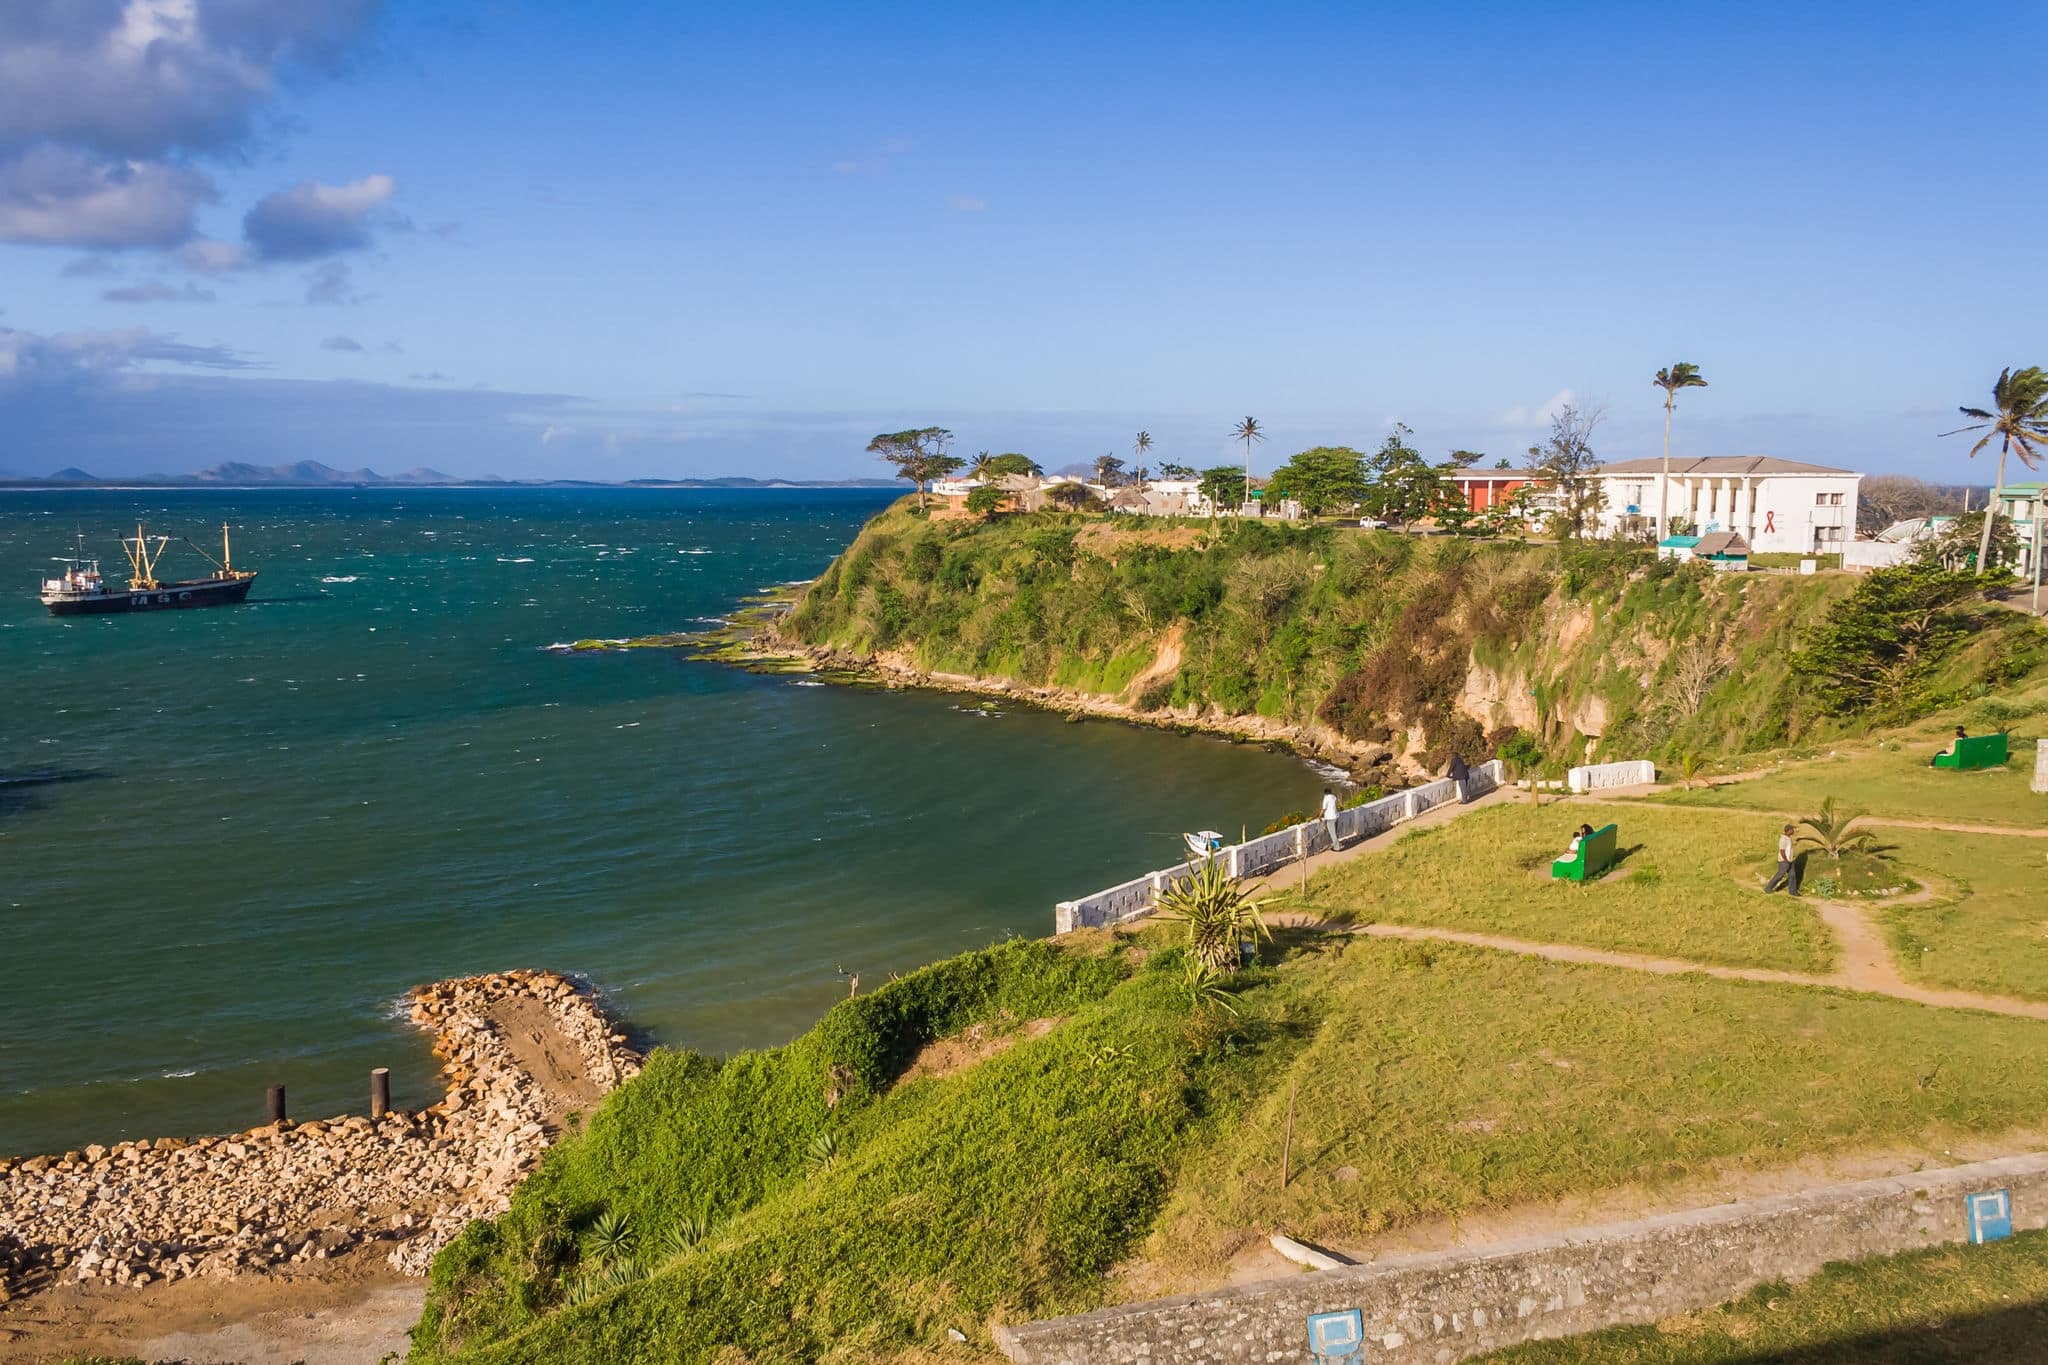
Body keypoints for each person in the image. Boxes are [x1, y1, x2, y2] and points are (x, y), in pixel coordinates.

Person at [1763, 822, 1801, 896]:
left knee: (1792, 875)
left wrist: (1791, 859)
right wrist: (1786, 860)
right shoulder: (1783, 839)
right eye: (1792, 829)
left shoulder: (1788, 838)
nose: (1793, 831)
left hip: (1790, 860)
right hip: (1784, 861)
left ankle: (1793, 891)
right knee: (1780, 875)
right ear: (1788, 830)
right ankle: (1768, 888)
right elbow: (1782, 851)